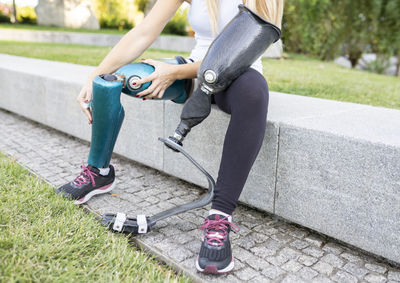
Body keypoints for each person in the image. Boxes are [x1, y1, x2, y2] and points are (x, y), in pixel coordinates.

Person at [56, 0, 284, 274]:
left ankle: (219, 217)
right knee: (113, 79)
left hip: (238, 73)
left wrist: (174, 72)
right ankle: (98, 172)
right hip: (192, 71)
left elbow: (246, 49)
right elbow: (144, 32)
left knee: (254, 95)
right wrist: (93, 76)